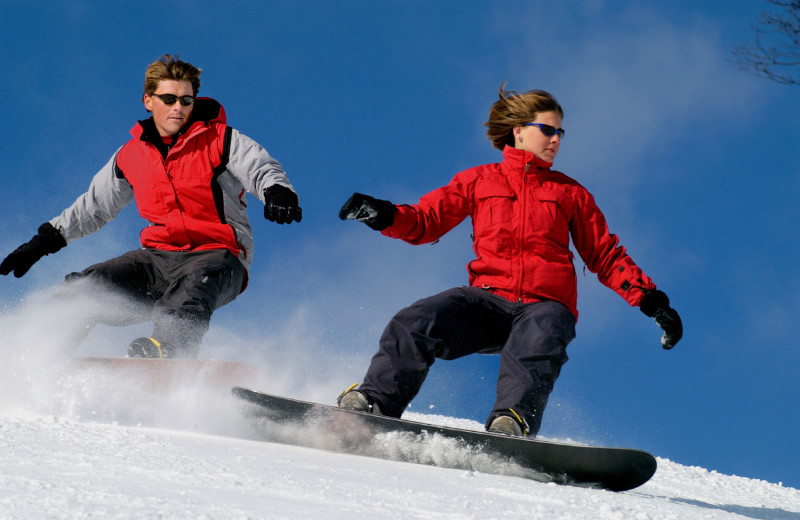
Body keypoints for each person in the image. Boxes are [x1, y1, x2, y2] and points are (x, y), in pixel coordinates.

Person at [337, 85, 682, 437]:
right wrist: (382, 214)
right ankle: (375, 402)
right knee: (416, 320)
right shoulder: (478, 181)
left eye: (560, 132)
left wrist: (652, 302)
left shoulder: (570, 194)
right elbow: (426, 221)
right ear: (518, 131)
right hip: (487, 300)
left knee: (538, 340)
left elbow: (605, 254)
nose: (556, 140)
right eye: (547, 130)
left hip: (545, 306)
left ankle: (511, 423)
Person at [0, 54, 302, 359]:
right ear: (148, 100)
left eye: (186, 100)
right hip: (158, 259)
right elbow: (93, 207)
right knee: (87, 287)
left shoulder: (220, 140)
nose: (178, 108)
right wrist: (43, 242)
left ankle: (167, 352)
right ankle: (37, 354)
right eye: (169, 98)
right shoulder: (131, 155)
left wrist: (278, 192)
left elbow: (260, 168)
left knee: (192, 292)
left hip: (219, 256)